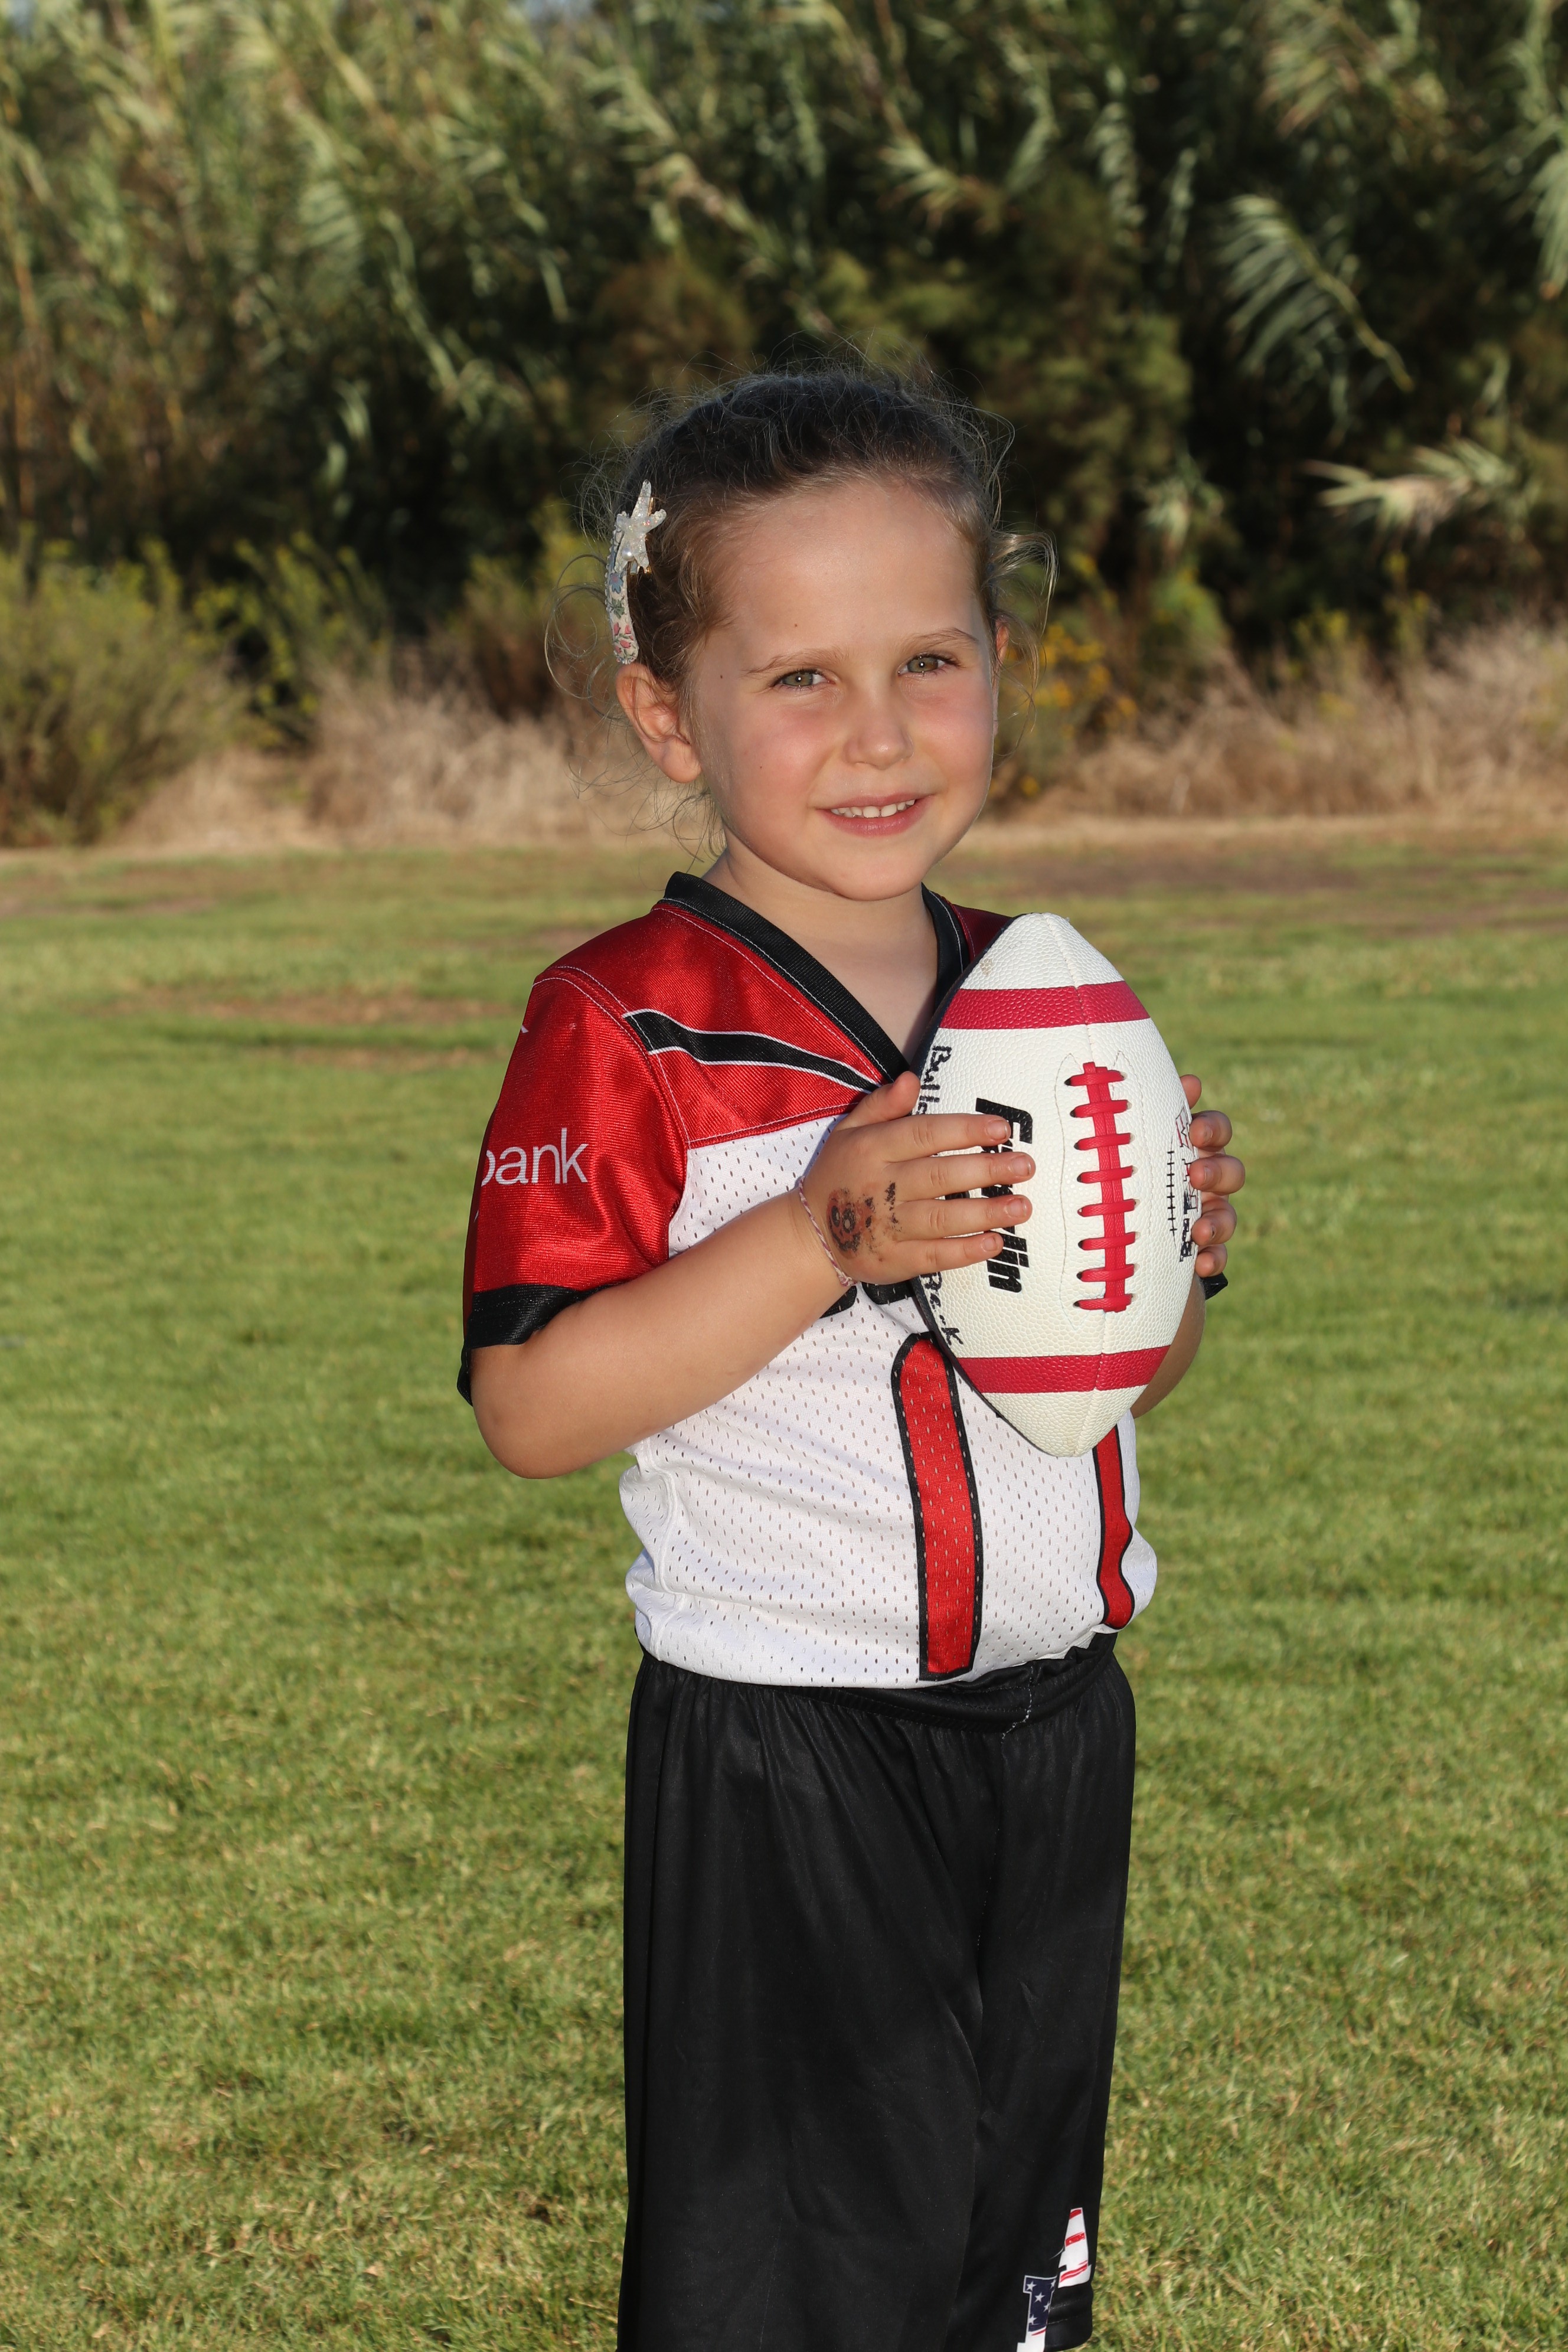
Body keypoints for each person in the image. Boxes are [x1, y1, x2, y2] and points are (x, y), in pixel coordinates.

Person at [460, 367, 1244, 2352]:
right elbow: (531, 1408)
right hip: (794, 1745)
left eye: (929, 661)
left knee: (1012, 2282)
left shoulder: (1039, 991)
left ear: (1000, 662)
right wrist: (816, 1236)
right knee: (797, 2295)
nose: (879, 732)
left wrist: (1166, 1273)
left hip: (1056, 1725)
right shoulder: (628, 1023)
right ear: (670, 718)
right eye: (800, 678)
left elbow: (1089, 1394)